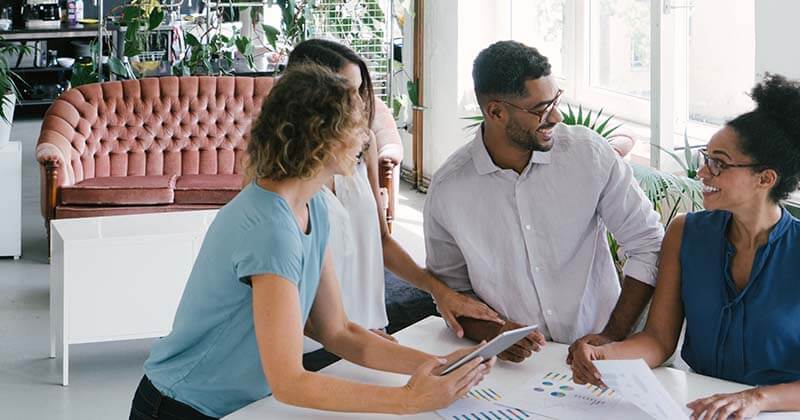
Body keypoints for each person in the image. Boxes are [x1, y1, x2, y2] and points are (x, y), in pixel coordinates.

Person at [129, 64, 493, 420]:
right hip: (178, 406)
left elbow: (336, 330)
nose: (365, 138)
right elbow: (289, 382)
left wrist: (440, 365)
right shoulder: (270, 229)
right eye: (355, 127)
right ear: (324, 139)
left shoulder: (314, 204)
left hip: (233, 406)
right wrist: (408, 400)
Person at [570, 74, 800, 419]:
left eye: (718, 164)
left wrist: (756, 399)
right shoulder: (685, 232)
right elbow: (659, 341)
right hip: (697, 406)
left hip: (778, 410)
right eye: (707, 158)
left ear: (765, 179)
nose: (702, 173)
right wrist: (604, 356)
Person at [424, 40, 665, 362]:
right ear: (495, 112)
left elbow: (647, 243)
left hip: (605, 351)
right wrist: (495, 333)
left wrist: (612, 334)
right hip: (513, 367)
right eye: (540, 109)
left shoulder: (588, 155)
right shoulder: (448, 190)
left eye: (555, 100)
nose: (556, 116)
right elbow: (450, 293)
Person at [285, 39, 504, 359]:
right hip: (313, 341)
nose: (359, 105)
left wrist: (441, 292)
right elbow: (284, 286)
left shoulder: (364, 146)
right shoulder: (285, 176)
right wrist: (348, 335)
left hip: (371, 329)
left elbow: (381, 241)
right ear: (309, 96)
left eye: (360, 91)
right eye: (346, 93)